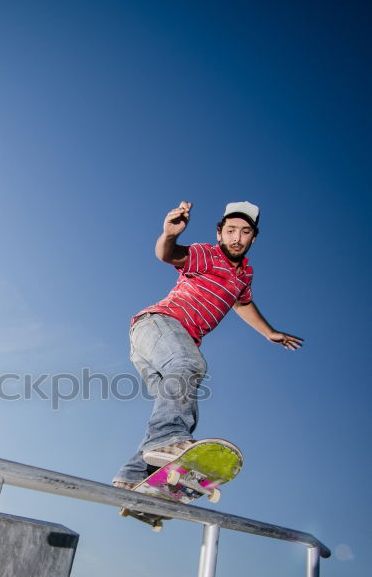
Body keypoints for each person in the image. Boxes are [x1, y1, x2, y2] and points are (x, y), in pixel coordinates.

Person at [113, 200, 303, 489]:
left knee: (177, 402)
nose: (236, 238)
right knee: (190, 365)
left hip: (156, 344)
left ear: (254, 236)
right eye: (230, 231)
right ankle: (168, 440)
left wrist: (268, 332)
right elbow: (169, 255)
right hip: (159, 325)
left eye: (244, 232)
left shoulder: (244, 276)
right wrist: (169, 235)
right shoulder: (208, 254)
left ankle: (134, 476)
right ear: (219, 233)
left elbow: (242, 303)